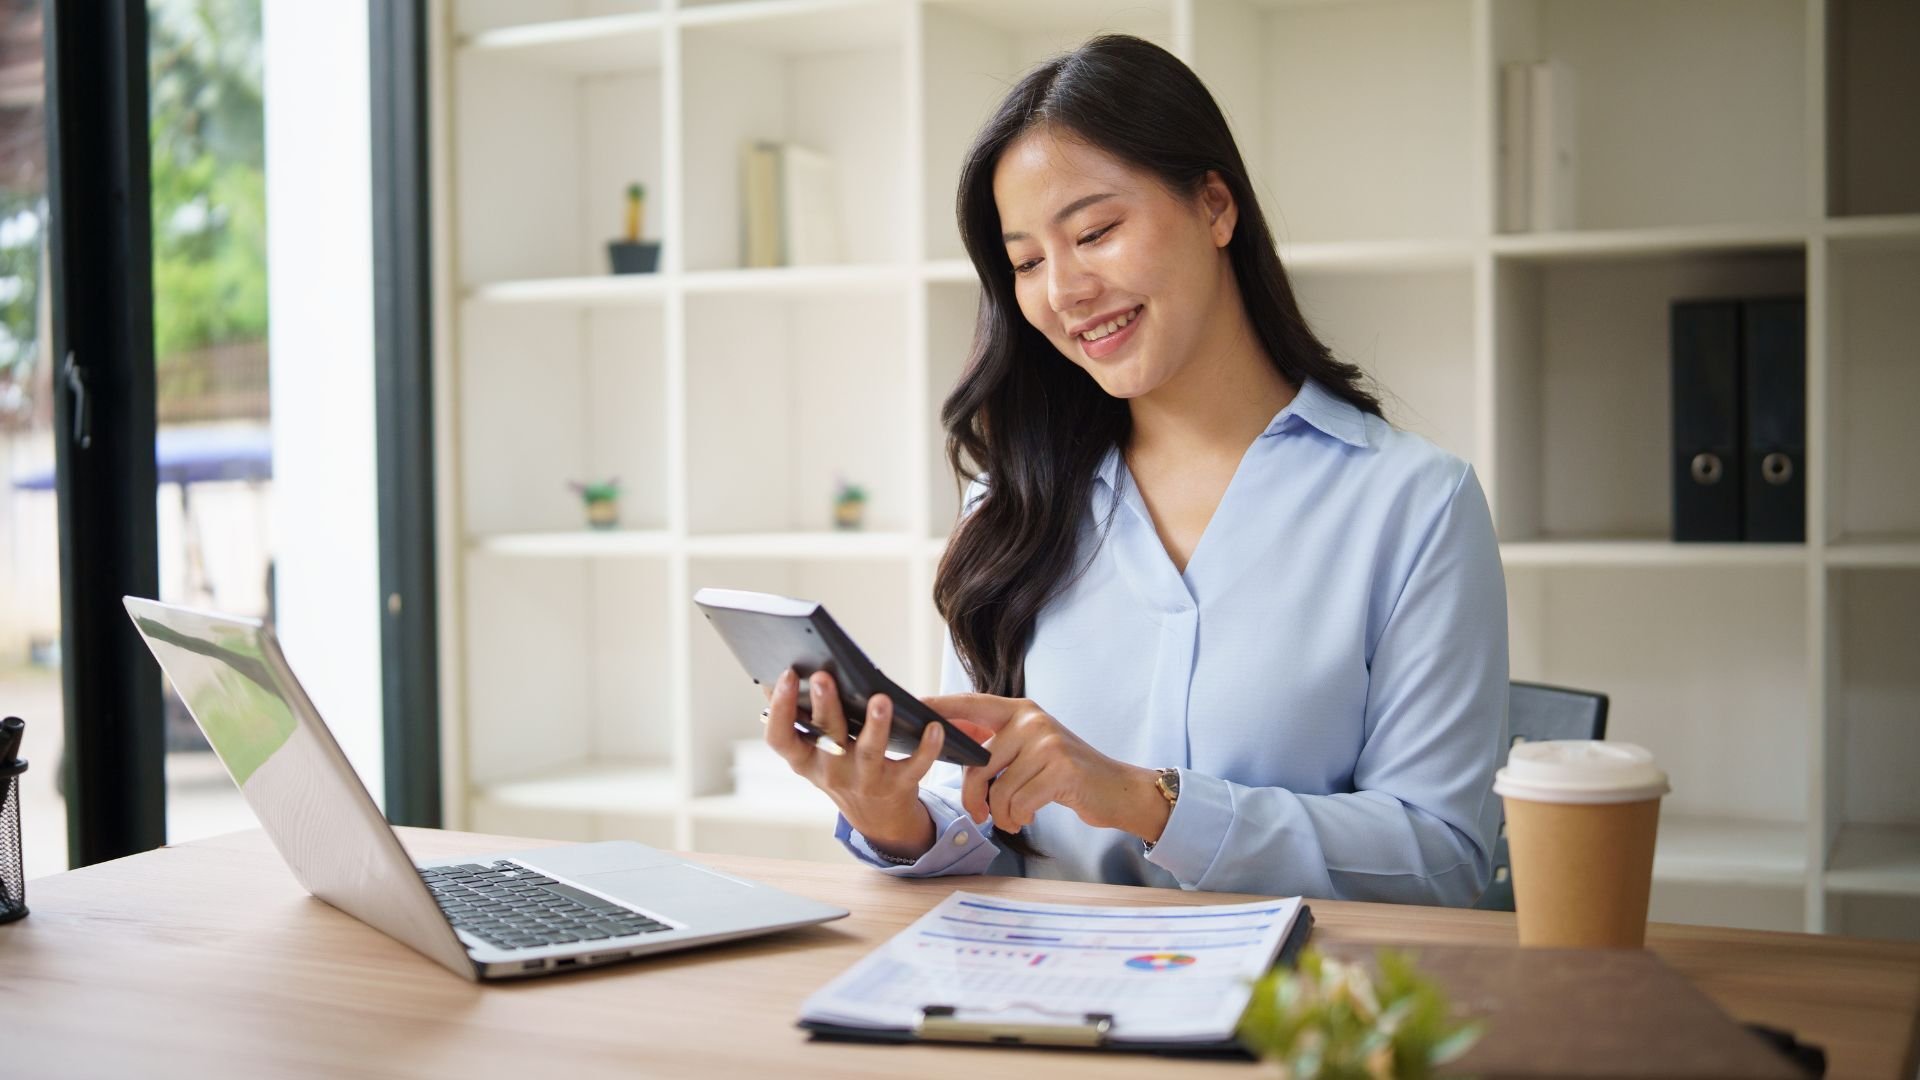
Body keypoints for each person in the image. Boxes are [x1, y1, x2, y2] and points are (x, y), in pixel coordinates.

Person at [763, 34, 1508, 906]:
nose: (1065, 290)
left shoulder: (1414, 504)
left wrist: (1147, 802)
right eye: (1028, 262)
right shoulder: (1012, 504)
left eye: (1096, 231)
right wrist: (898, 818)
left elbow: (1446, 861)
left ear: (1216, 207)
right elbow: (983, 829)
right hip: (1046, 1000)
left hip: (1303, 1016)